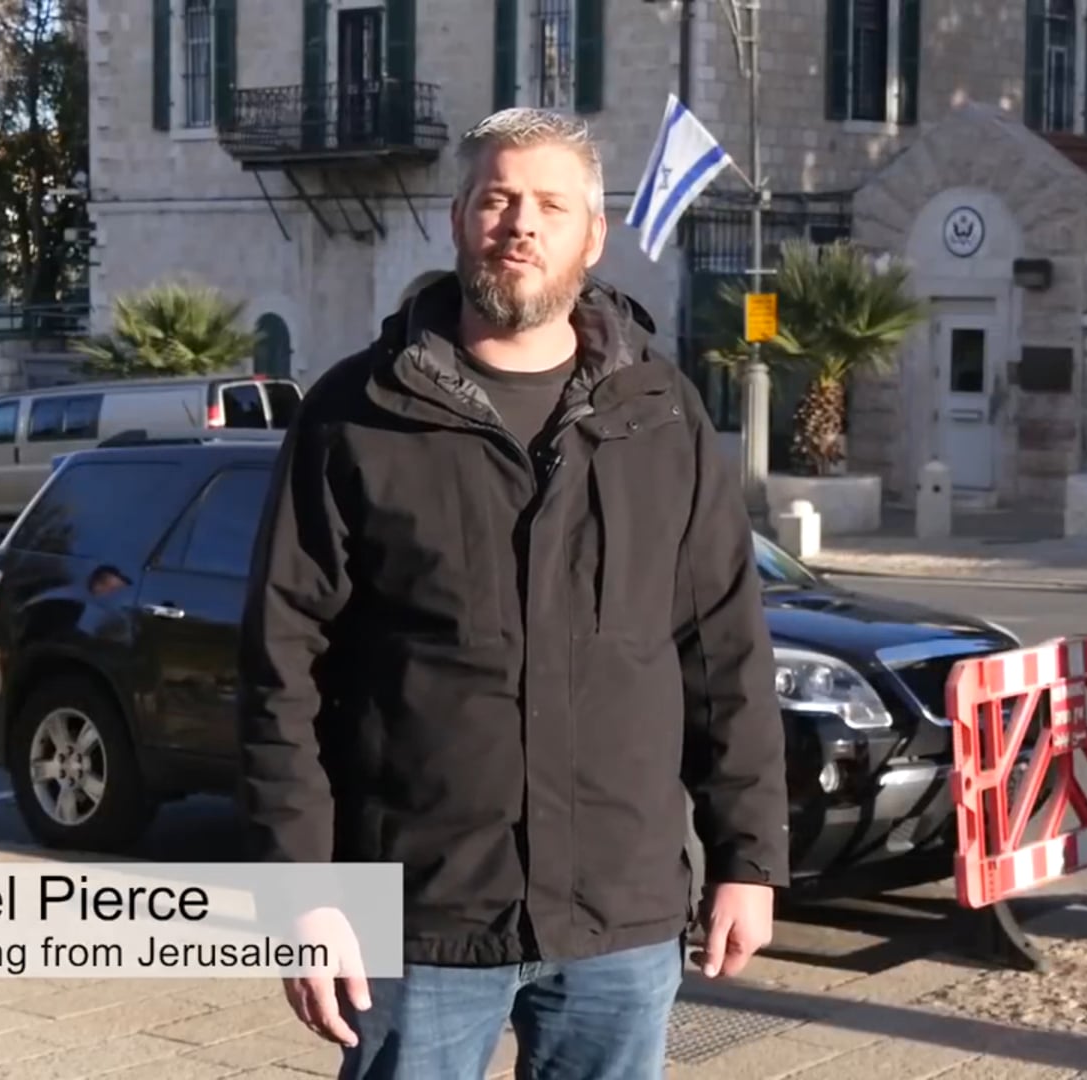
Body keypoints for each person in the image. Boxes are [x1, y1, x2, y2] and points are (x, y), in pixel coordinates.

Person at [238, 107, 791, 1080]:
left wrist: (748, 857)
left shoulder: (663, 417)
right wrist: (303, 894)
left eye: (549, 204)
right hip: (415, 917)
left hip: (617, 917)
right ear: (458, 219)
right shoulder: (354, 417)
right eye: (497, 198)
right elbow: (285, 669)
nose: (520, 224)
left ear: (593, 233)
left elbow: (726, 653)